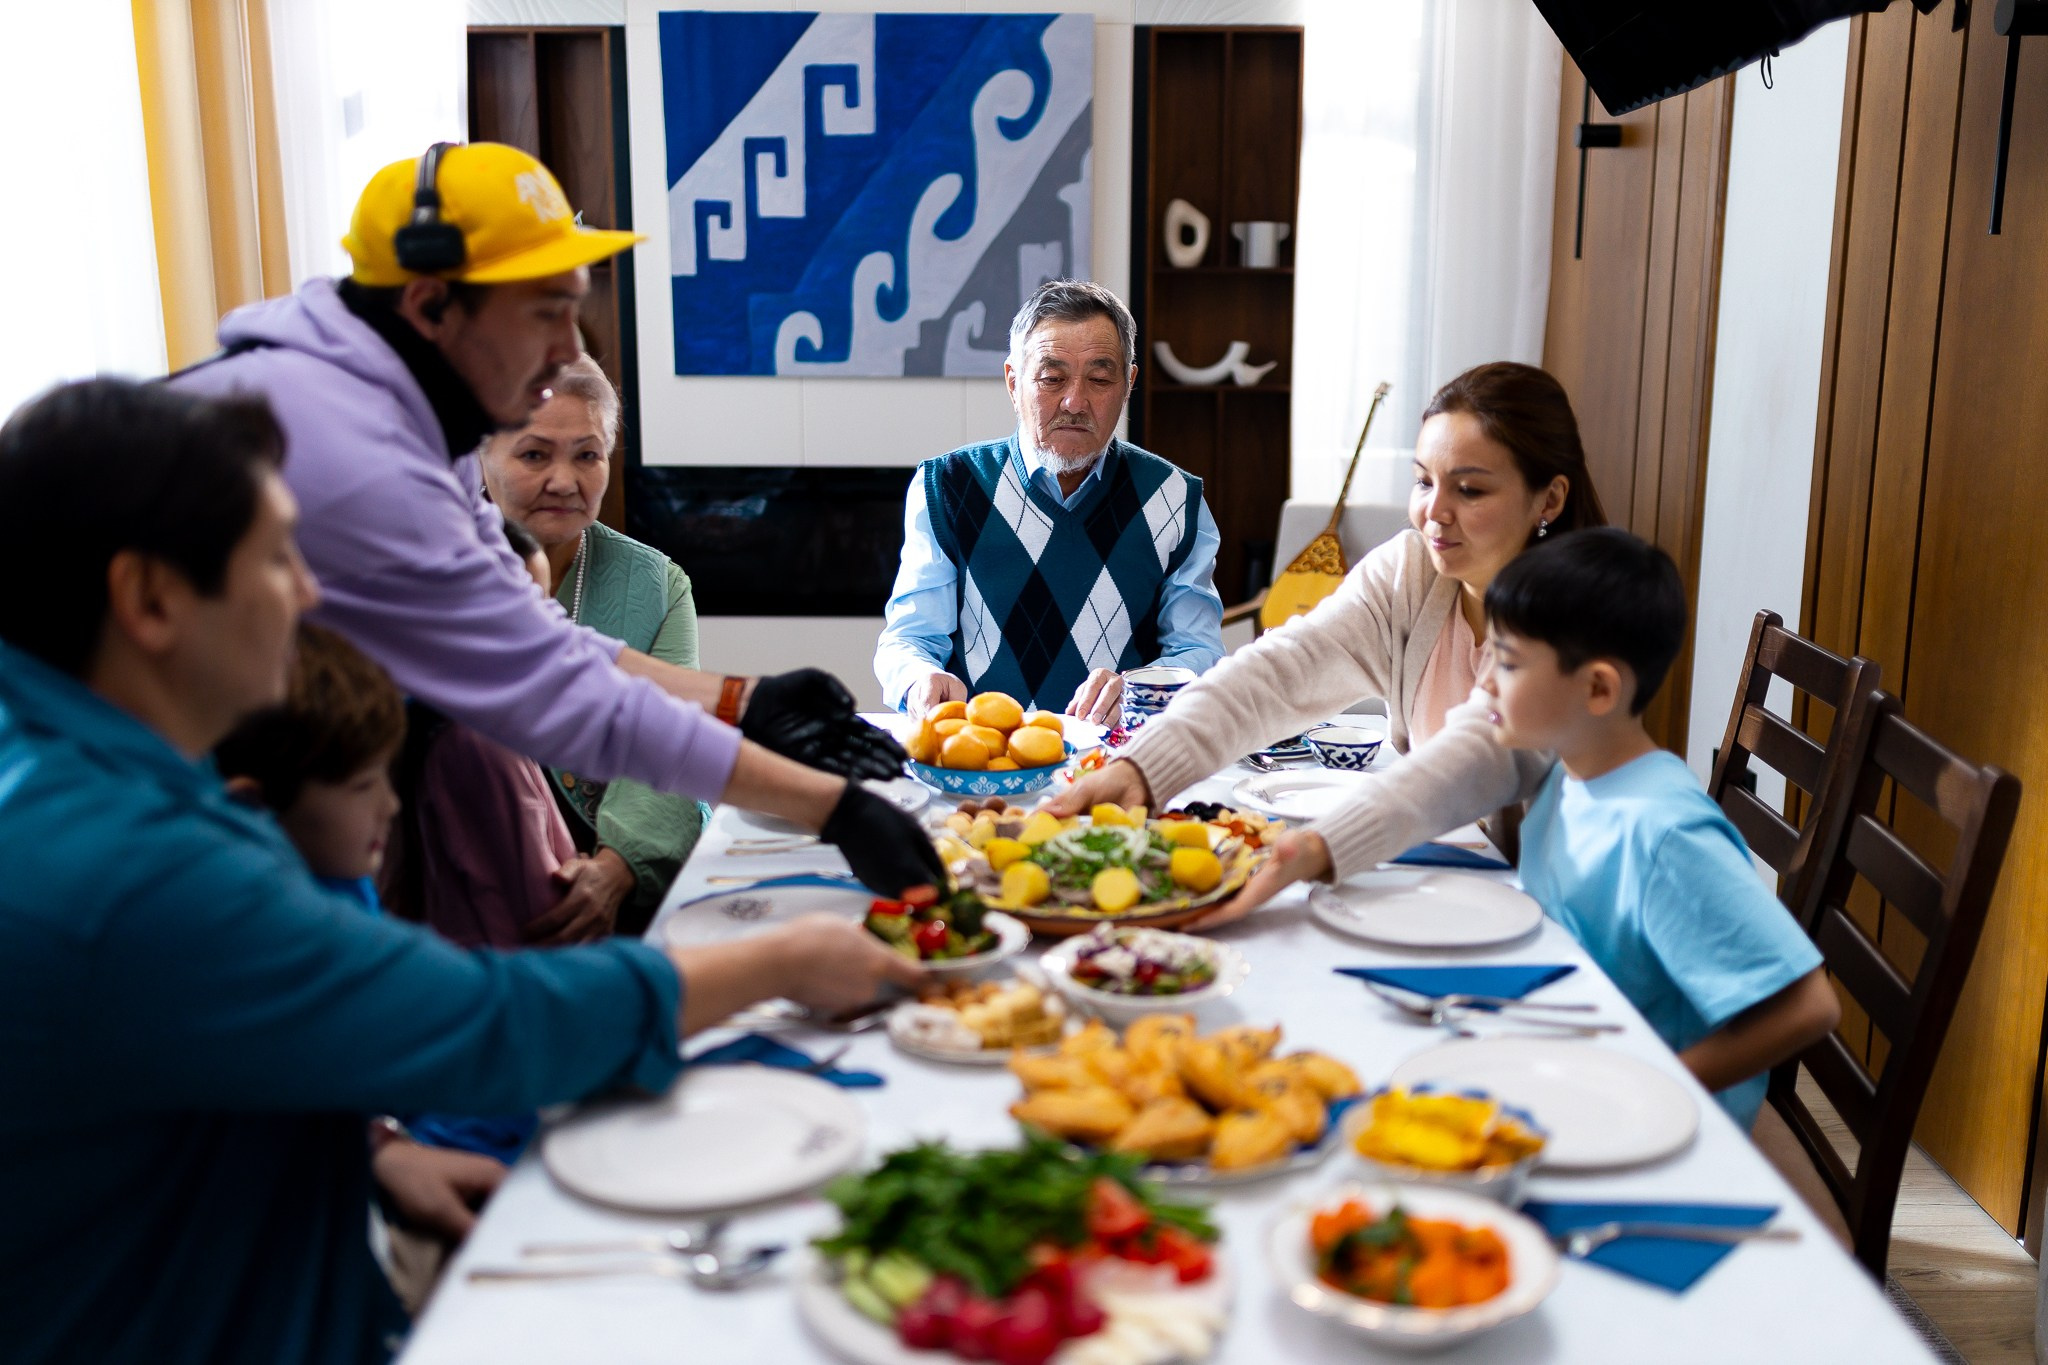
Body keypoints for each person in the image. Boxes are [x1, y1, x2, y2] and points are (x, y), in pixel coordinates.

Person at [0, 378, 925, 1365]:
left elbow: (197, 1045)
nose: (311, 593)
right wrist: (780, 963)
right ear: (148, 599)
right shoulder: (133, 872)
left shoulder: (65, 764)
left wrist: (378, 1149)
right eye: (276, 558)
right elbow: (487, 1023)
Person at [170, 140, 938, 899]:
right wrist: (830, 806)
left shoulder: (395, 413)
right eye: (547, 313)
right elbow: (557, 693)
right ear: (430, 304)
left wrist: (745, 700)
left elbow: (538, 634)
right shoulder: (361, 467)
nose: (569, 348)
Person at [1051, 362, 1600, 922]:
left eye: (1470, 489)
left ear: (1549, 499)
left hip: (1558, 921)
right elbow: (1281, 672)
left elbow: (1477, 753)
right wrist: (1140, 768)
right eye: (1423, 482)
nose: (1434, 513)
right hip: (1447, 887)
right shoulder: (1412, 573)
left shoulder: (1571, 611)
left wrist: (1321, 847)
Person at [1477, 528, 1840, 1125]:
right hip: (1567, 1062)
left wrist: (1654, 1089)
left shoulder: (1662, 832)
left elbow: (1809, 1007)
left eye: (1508, 662)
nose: (1486, 679)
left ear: (1598, 688)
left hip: (1648, 1127)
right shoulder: (1567, 776)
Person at [213, 621, 520, 1296]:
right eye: (361, 787)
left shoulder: (338, 867)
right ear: (254, 806)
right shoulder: (255, 925)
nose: (389, 804)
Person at [873, 279, 1225, 724]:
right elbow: (909, 638)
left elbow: (1199, 649)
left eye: (1099, 378)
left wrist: (1139, 689)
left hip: (1118, 757)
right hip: (987, 757)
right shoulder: (947, 485)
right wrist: (917, 677)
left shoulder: (1175, 497)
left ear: (1129, 382)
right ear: (1013, 381)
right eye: (1052, 378)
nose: (1075, 401)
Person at [479, 354, 705, 937]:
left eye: (588, 455)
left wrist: (614, 870)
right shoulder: (438, 569)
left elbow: (672, 738)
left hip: (617, 884)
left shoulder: (657, 585)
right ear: (481, 458)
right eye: (533, 454)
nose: (564, 481)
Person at [379, 518, 582, 949]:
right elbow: (547, 916)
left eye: (546, 607)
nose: (546, 634)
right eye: (523, 613)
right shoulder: (483, 746)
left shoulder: (435, 719)